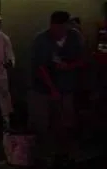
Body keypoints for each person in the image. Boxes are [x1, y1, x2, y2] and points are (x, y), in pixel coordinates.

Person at [28, 11, 84, 158]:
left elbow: (83, 60)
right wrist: (52, 89)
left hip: (67, 88)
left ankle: (65, 156)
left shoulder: (75, 37)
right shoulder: (41, 40)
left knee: (66, 123)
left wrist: (68, 66)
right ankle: (41, 156)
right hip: (42, 89)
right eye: (56, 27)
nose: (60, 31)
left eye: (63, 27)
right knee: (42, 124)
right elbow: (41, 68)